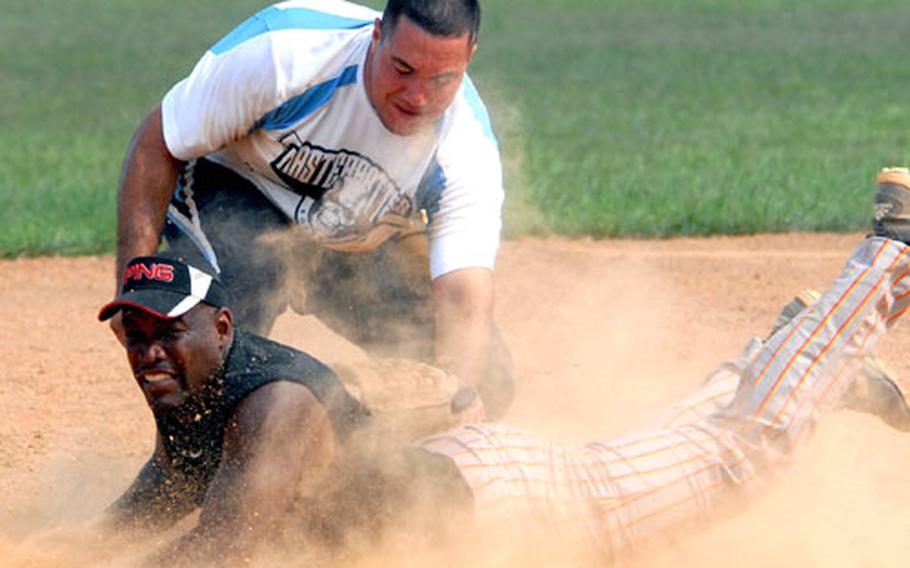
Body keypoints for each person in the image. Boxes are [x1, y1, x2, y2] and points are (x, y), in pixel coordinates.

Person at [96, 170, 910, 566]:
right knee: (667, 456)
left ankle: (888, 250)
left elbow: (222, 550)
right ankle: (804, 349)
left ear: (224, 325)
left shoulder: (274, 408)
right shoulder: (196, 390)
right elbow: (160, 496)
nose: (150, 354)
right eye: (135, 336)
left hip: (517, 506)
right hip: (470, 482)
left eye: (167, 333)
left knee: (739, 459)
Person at [113, 0, 514, 419]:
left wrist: (455, 394)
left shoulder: (465, 147)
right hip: (239, 194)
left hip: (352, 239)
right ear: (377, 36)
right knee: (204, 344)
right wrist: (135, 287)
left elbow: (464, 295)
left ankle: (357, 457)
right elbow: (158, 140)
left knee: (486, 379)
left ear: (469, 58)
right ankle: (192, 462)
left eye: (442, 79)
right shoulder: (287, 53)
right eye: (403, 69)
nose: (418, 96)